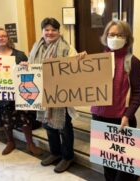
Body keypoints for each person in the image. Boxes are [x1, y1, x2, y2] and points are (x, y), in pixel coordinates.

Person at [90, 20, 140, 181]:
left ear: (127, 39)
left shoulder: (133, 61)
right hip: (99, 118)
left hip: (122, 121)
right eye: (111, 34)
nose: (115, 38)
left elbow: (139, 92)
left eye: (120, 35)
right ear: (105, 37)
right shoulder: (96, 60)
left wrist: (128, 115)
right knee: (108, 165)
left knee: (124, 171)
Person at [28, 17, 80, 173]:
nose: (50, 32)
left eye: (53, 30)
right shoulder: (36, 47)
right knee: (48, 126)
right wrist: (27, 66)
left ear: (59, 32)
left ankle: (67, 157)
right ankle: (55, 153)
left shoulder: (67, 48)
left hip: (61, 93)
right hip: (43, 93)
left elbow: (75, 68)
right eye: (47, 30)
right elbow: (33, 66)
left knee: (64, 127)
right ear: (42, 31)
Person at [0, 28, 42, 156]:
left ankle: (30, 143)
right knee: (5, 120)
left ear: (8, 38)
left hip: (19, 94)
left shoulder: (19, 54)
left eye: (4, 36)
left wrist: (27, 66)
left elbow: (29, 71)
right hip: (1, 95)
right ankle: (10, 142)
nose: (1, 38)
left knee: (25, 119)